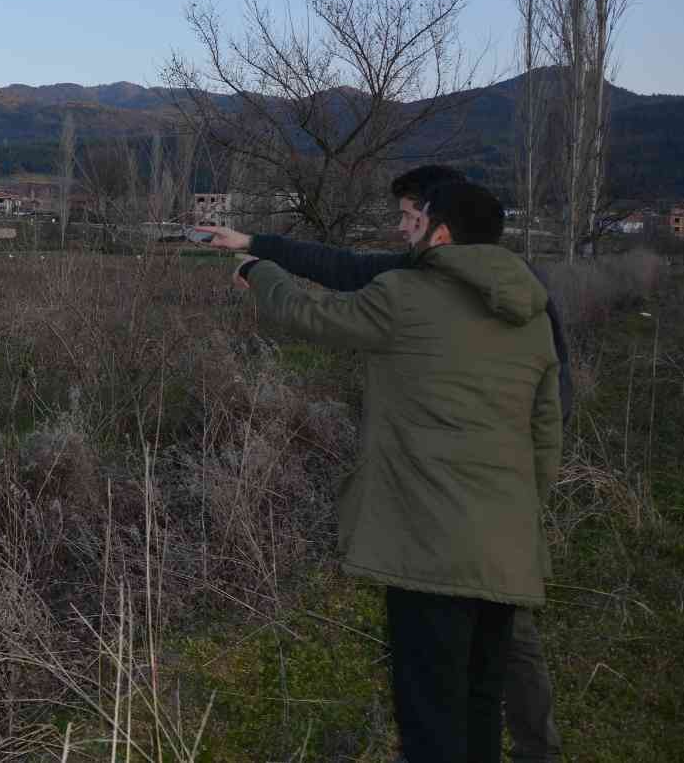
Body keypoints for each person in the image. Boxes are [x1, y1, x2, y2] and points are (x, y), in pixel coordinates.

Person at [200, 165, 567, 762]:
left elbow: (310, 316)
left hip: (428, 544)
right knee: (479, 701)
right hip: (506, 543)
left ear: (440, 234)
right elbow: (545, 435)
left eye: (414, 221)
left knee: (429, 715)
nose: (405, 231)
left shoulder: (406, 295)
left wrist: (258, 271)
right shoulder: (533, 315)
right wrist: (519, 517)